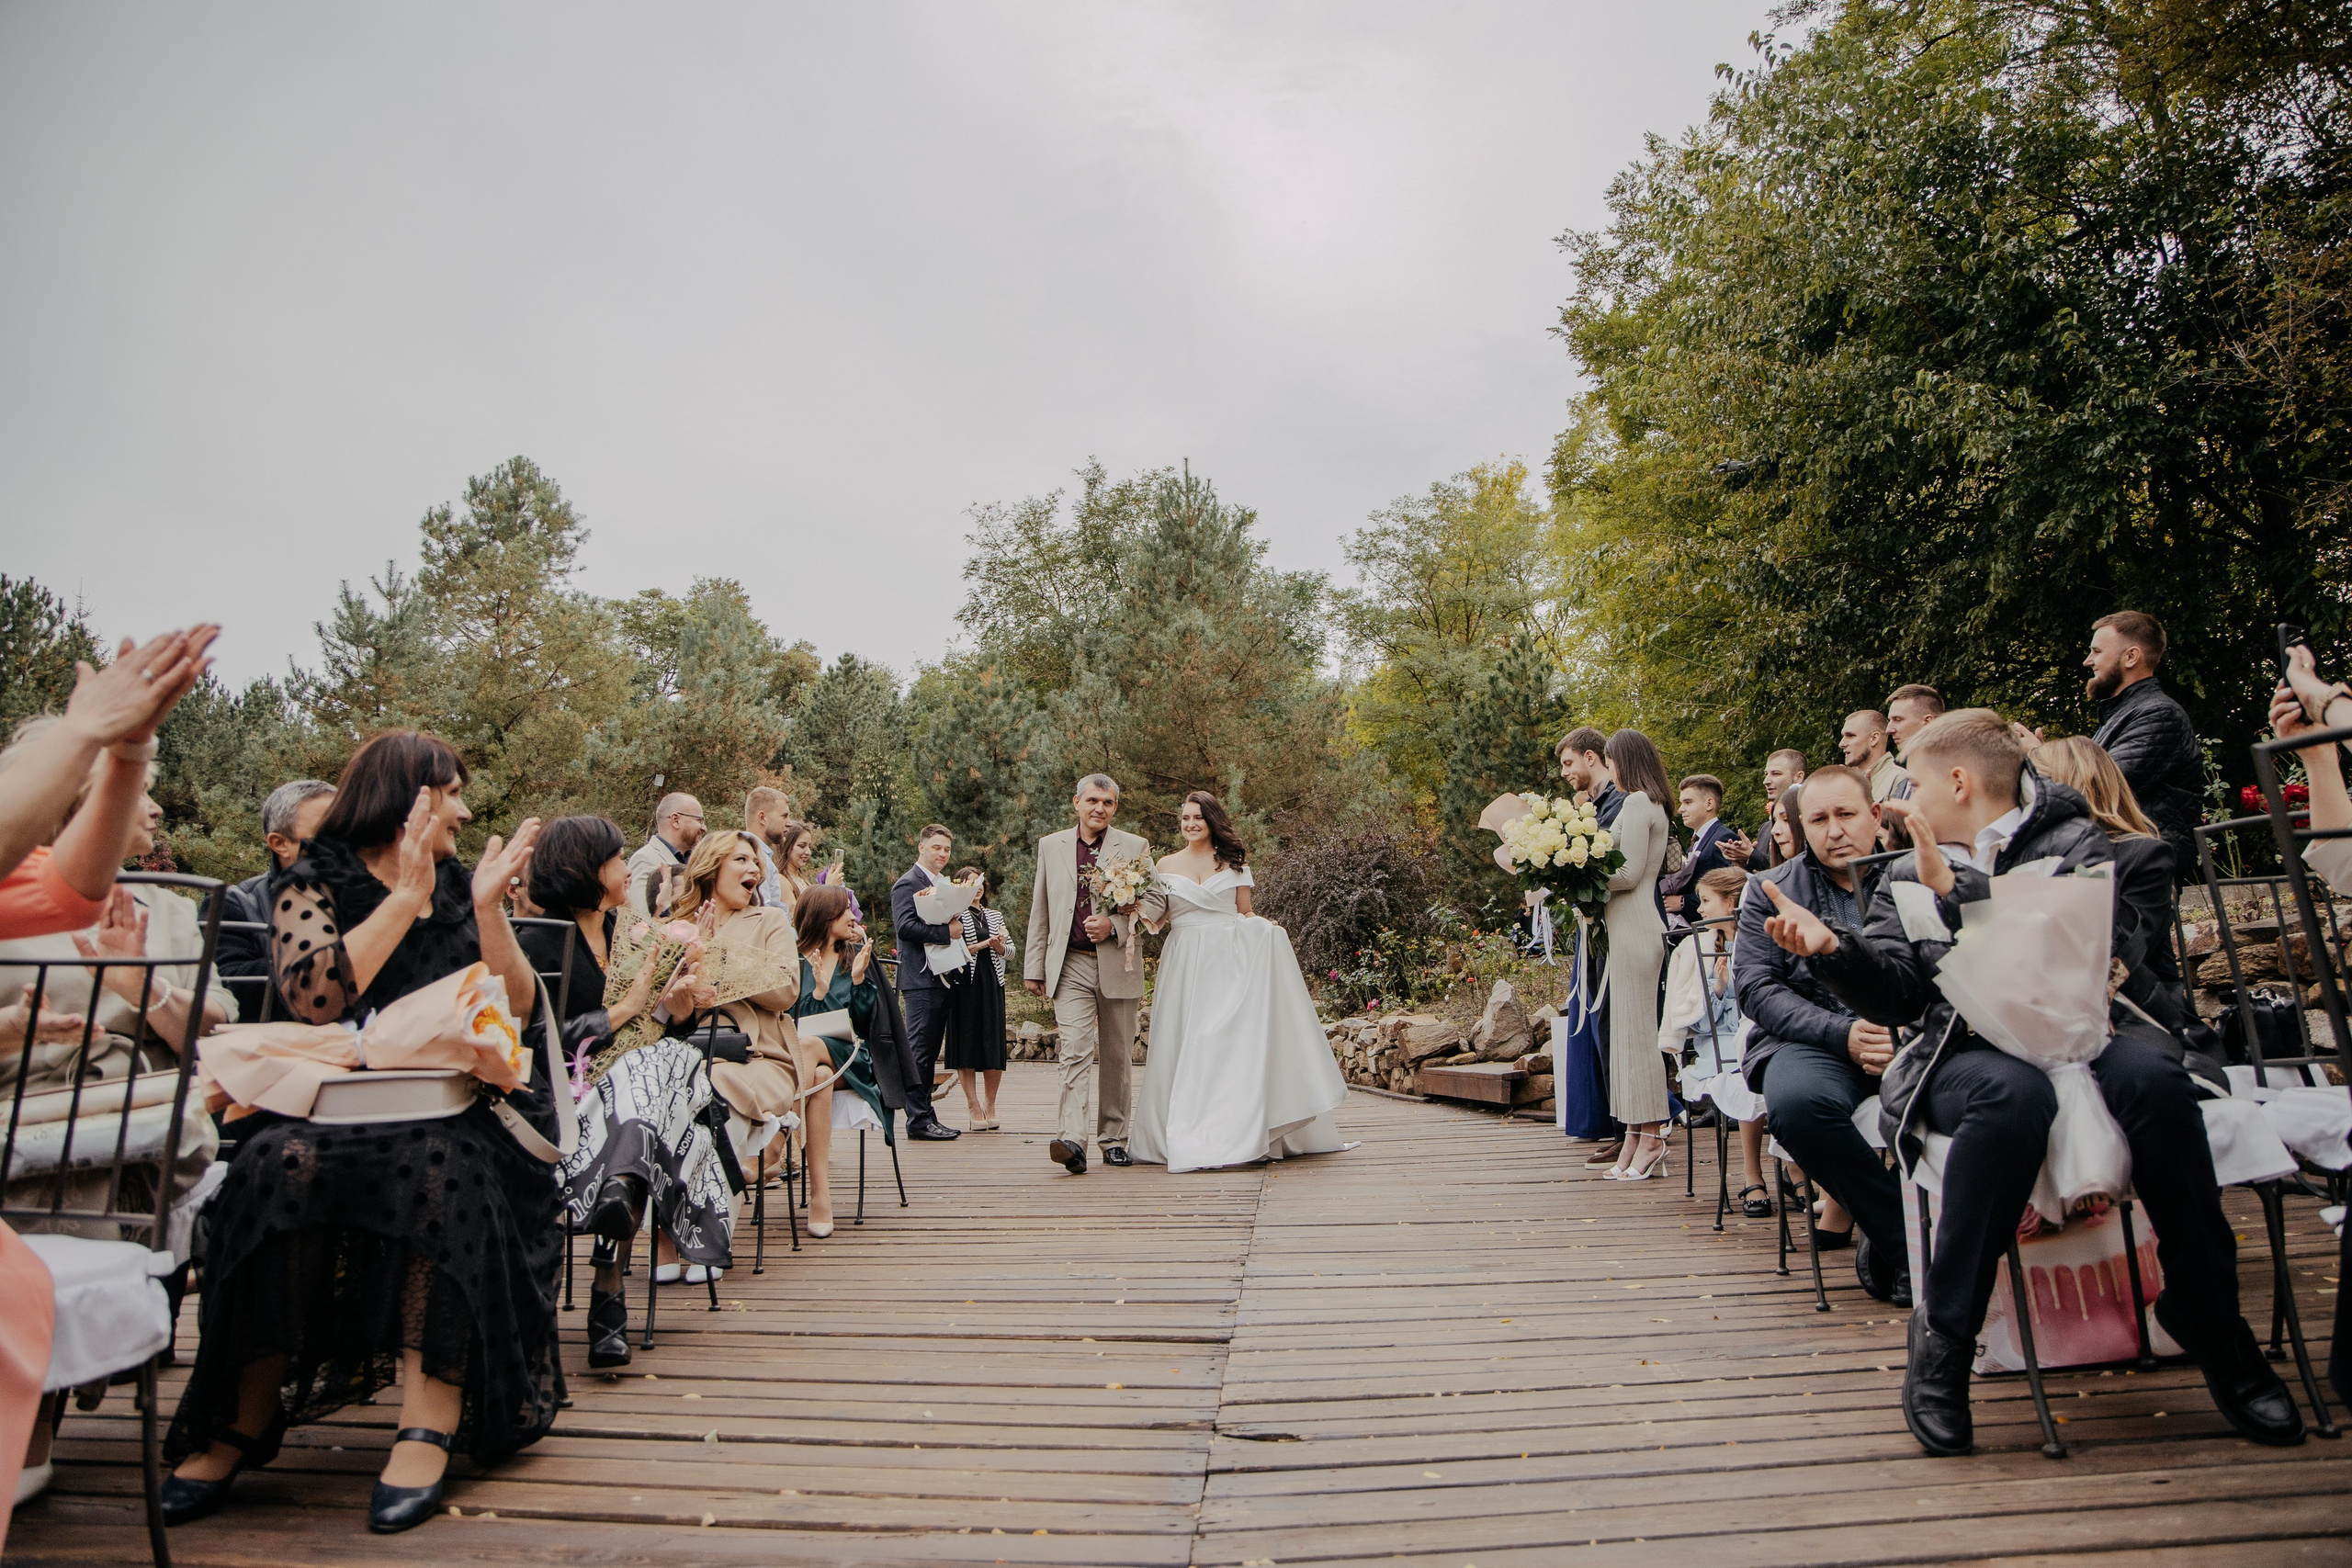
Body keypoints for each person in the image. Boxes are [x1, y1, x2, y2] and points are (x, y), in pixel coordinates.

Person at [1766, 709, 2301, 1456]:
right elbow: (1899, 993)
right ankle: (1946, 1336)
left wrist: (1953, 887)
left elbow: (2089, 950)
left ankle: (2209, 1314)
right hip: (1964, 1047)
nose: (1902, 799)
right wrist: (1833, 952)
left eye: (1911, 782)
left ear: (1957, 781)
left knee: (2153, 1078)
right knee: (2013, 1096)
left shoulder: (2072, 835)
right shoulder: (1896, 869)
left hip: (2086, 1027)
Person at [163, 729, 553, 1535]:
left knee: (439, 1166)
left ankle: (429, 1414)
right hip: (334, 1101)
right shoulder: (312, 879)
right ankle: (247, 1411)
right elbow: (314, 998)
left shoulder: (457, 883)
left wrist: (485, 910)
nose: (465, 809)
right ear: (409, 799)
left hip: (448, 1111)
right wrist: (403, 901)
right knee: (276, 1165)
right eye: (451, 792)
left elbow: (513, 1005)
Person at [524, 815, 717, 1369]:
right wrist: (625, 1010)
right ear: (585, 869)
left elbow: (660, 1028)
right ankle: (607, 1284)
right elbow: (533, 1041)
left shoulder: (627, 933)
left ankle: (611, 1249)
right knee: (641, 1100)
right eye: (615, 860)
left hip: (638, 1099)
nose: (626, 869)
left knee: (652, 1080)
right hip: (567, 1100)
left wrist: (676, 1006)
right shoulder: (538, 942)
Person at [1732, 767, 1906, 1294]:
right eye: (1819, 819)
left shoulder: (1916, 875)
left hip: (1911, 1035)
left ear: (1875, 816)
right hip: (1813, 1040)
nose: (1834, 830)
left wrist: (1900, 1034)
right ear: (1801, 826)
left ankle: (1908, 1241)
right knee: (1796, 1105)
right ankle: (1904, 1240)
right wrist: (1842, 1034)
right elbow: (1757, 988)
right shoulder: (1772, 890)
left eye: (1846, 815)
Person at [1130, 793, 1347, 1172]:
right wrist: (1128, 902)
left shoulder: (1233, 862)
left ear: (1212, 820)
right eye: (1185, 818)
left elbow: (1244, 912)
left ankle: (1238, 1127)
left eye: (1198, 817)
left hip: (1228, 963)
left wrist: (1268, 931)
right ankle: (1180, 1131)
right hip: (1184, 961)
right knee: (1186, 1041)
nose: (1191, 824)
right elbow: (1158, 914)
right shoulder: (1164, 864)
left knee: (1223, 1044)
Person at [0, 626, 216, 908]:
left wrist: (131, 749)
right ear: (67, 806)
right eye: (136, 792)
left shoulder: (173, 910)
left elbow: (71, 895)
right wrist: (82, 730)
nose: (157, 809)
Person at [671, 831, 814, 1226]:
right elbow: (669, 1016)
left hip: (760, 1055)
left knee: (716, 1085)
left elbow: (787, 990)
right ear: (711, 868)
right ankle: (667, 1233)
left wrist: (717, 956)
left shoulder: (769, 920)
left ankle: (711, 1230)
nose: (754, 868)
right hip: (689, 1049)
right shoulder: (678, 925)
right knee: (668, 1091)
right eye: (741, 860)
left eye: (756, 862)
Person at [1023, 777, 1164, 1175]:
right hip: (1068, 964)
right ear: (1077, 803)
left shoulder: (1134, 847)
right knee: (1074, 1049)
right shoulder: (1051, 846)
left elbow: (1156, 900)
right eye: (1092, 801)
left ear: (1115, 807)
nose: (1099, 808)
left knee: (1118, 1055)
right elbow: (1042, 908)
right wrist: (1034, 967)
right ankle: (1071, 1139)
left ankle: (1114, 1140)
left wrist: (1116, 925)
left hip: (1117, 962)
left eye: (1108, 802)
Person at [2030, 737, 2191, 1035]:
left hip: (2134, 1014)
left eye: (2037, 780)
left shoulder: (2144, 854)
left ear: (2070, 786)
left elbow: (2124, 952)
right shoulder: (2032, 853)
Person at [1659, 866, 1768, 1213]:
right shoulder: (1702, 949)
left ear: (1731, 901)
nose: (1700, 909)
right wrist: (1718, 990)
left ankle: (1797, 1169)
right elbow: (1698, 1026)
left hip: (1764, 1034)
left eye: (1706, 901)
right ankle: (1754, 1176)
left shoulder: (1763, 941)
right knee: (1748, 1079)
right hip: (1720, 1045)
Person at [1597, 728, 1673, 1180]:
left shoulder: (1640, 802)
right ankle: (1632, 1133)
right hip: (1623, 927)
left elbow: (1626, 872)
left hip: (1637, 925)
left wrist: (1575, 873)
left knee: (1640, 1041)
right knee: (1626, 1040)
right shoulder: (1645, 803)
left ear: (1623, 760)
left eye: (1609, 761)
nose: (1608, 771)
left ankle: (1653, 1136)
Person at [2082, 612, 2203, 876]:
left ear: (2131, 657)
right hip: (2122, 862)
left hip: (2144, 871)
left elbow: (2100, 788)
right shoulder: (2121, 715)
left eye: (2097, 651)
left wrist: (2040, 758)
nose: (2088, 661)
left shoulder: (2158, 714)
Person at [1551, 728, 1623, 1157]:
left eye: (1568, 763)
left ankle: (1628, 1127)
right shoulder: (1593, 806)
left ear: (1591, 757)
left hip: (1617, 932)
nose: (1565, 773)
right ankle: (1614, 1124)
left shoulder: (1618, 802)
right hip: (1593, 929)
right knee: (1598, 1021)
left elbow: (1617, 865)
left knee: (1611, 1024)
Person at [792, 884, 894, 1166]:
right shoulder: (794, 961)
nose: (853, 916)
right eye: (845, 910)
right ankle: (820, 1198)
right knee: (821, 1074)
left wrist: (859, 980)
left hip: (852, 1058)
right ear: (825, 917)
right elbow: (788, 1021)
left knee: (810, 1045)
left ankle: (778, 1141)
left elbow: (864, 1026)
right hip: (809, 1064)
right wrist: (819, 994)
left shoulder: (854, 958)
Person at [218, 779, 337, 1021]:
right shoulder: (237, 904)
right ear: (280, 844)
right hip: (280, 1052)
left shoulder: (376, 897)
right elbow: (227, 992)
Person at [890, 826, 966, 1144]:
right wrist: (944, 933)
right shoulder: (907, 884)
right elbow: (905, 927)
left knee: (931, 1050)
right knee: (919, 1051)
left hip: (942, 974)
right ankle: (917, 1120)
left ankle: (927, 1114)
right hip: (920, 976)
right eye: (936, 848)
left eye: (947, 849)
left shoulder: (940, 884)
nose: (942, 854)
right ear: (921, 847)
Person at [943, 867, 1012, 1131]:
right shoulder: (955, 916)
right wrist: (984, 945)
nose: (978, 887)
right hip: (964, 985)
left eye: (981, 882)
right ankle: (972, 1105)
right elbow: (954, 950)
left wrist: (1000, 946)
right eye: (971, 883)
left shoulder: (994, 915)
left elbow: (1011, 952)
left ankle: (990, 1104)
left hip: (992, 983)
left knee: (993, 1044)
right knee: (966, 1043)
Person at [1659, 773, 1736, 917]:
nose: (1681, 809)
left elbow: (1728, 889)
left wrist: (1683, 901)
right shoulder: (1696, 841)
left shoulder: (1723, 837)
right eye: (1682, 803)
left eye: (1688, 802)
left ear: (1709, 804)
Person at [626, 793, 705, 914]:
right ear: (675, 820)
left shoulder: (696, 861)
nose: (704, 828)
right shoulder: (644, 859)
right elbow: (640, 919)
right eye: (699, 820)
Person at [1730, 749, 1806, 870]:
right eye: (1766, 774)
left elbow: (1797, 869)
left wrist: (1753, 856)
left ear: (1798, 777)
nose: (1766, 781)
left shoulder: (1811, 819)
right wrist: (1744, 863)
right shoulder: (1766, 828)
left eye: (1776, 774)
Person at [743, 787, 793, 912]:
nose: (789, 823)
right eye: (784, 816)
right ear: (762, 818)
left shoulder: (763, 855)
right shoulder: (752, 856)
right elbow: (762, 911)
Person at [1839, 709, 1903, 803]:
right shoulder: (1844, 782)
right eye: (1843, 736)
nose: (1842, 744)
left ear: (1874, 738)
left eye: (1850, 735)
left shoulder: (1900, 780)